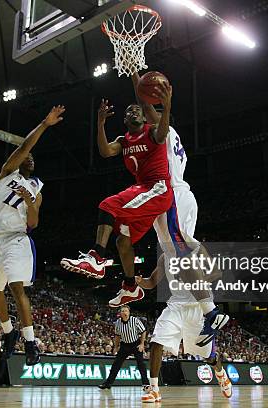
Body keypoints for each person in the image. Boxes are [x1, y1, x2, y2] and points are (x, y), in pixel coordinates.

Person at [130, 72, 229, 347]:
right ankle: (211, 310)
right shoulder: (166, 139)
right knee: (179, 255)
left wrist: (135, 75)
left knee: (180, 249)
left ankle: (211, 311)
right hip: (176, 196)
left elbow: (145, 103)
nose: (147, 117)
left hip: (172, 195)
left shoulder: (165, 132)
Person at [61, 82, 175, 308]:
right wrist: (100, 123)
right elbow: (104, 152)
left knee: (108, 204)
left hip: (158, 189)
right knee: (122, 240)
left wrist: (167, 104)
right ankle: (130, 286)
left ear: (144, 119)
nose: (133, 112)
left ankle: (96, 258)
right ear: (124, 121)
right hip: (145, 192)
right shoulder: (123, 141)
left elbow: (163, 132)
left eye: (137, 110)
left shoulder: (151, 131)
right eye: (128, 112)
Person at [0, 105, 65, 366]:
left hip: (16, 238)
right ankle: (9, 333)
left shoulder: (36, 188)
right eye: (28, 157)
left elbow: (33, 223)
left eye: (33, 158)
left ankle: (29, 341)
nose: (30, 158)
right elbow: (25, 147)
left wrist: (31, 202)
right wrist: (45, 124)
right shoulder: (7, 173)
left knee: (16, 287)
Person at [136, 256, 233, 403]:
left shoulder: (194, 249)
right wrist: (140, 282)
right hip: (176, 306)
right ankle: (154, 389)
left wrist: (197, 280)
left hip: (198, 307)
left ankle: (220, 374)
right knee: (156, 341)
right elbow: (151, 282)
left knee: (209, 357)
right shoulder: (164, 257)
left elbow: (216, 273)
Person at [98, 305, 149, 390]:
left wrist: (142, 344)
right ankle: (108, 384)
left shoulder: (135, 320)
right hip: (124, 345)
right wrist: (116, 346)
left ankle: (146, 384)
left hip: (135, 344)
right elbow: (117, 336)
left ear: (129, 312)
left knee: (141, 364)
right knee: (116, 365)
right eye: (122, 311)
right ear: (120, 313)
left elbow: (143, 331)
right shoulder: (117, 322)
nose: (124, 312)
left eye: (126, 311)